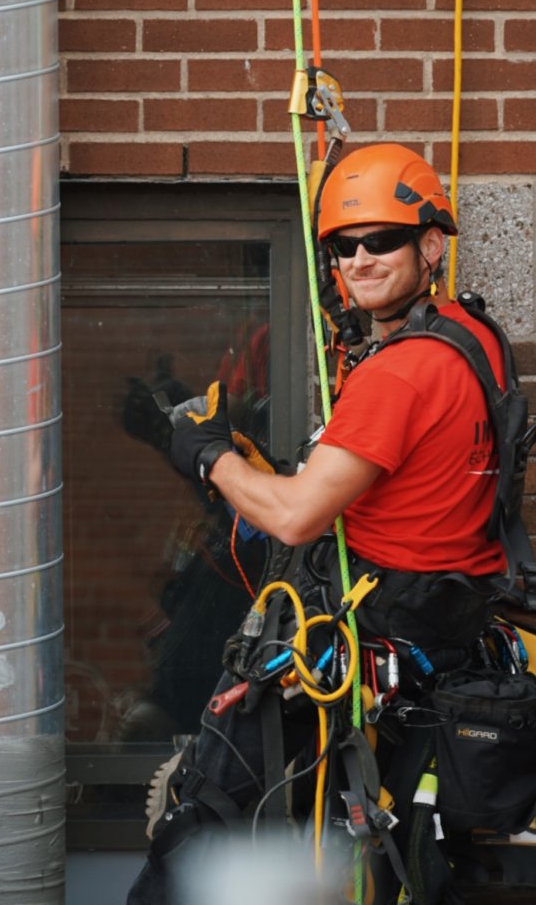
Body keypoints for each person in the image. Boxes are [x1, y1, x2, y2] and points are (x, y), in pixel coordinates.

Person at [127, 143, 514, 905]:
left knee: (198, 824)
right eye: (343, 246)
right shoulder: (475, 341)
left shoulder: (398, 372)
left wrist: (208, 456)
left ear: (430, 246)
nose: (360, 259)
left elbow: (298, 516)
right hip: (436, 641)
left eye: (382, 240)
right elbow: (394, 483)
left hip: (353, 647)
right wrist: (259, 468)